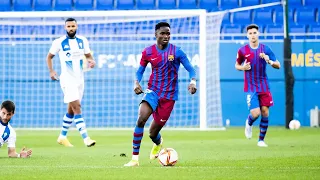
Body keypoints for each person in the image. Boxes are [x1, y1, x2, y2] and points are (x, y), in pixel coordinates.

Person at [124, 22, 197, 167]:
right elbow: (140, 71)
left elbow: (191, 69)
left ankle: (158, 143)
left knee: (152, 133)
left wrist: (193, 82)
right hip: (153, 91)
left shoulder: (177, 52)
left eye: (168, 33)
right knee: (141, 118)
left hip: (169, 97)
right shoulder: (148, 52)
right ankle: (134, 159)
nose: (166, 36)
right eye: (162, 33)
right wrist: (136, 83)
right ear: (156, 34)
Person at [46, 18, 96, 147]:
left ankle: (62, 136)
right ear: (65, 28)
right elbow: (49, 57)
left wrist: (91, 61)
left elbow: (88, 55)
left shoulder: (82, 41)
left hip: (79, 79)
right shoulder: (59, 42)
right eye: (68, 26)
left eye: (73, 26)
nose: (71, 28)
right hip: (67, 80)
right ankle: (86, 139)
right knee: (77, 107)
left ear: (76, 26)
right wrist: (51, 71)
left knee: (72, 109)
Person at [235, 24, 281, 147]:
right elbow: (237, 65)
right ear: (247, 35)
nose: (252, 35)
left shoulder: (266, 49)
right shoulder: (242, 50)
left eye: (254, 33)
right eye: (250, 33)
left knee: (265, 112)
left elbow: (278, 65)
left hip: (264, 85)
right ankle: (249, 123)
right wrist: (242, 67)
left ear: (258, 34)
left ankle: (261, 140)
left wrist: (269, 60)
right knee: (256, 113)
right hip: (250, 86)